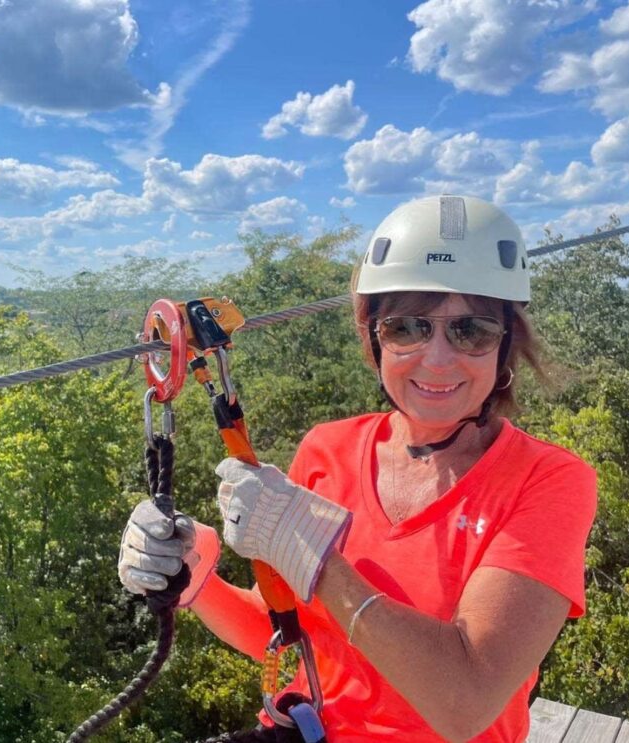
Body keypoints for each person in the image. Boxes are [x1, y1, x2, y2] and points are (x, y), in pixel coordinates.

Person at [118, 195, 598, 742]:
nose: (438, 358)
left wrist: (312, 556)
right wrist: (196, 579)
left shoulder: (547, 480)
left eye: (471, 331)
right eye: (408, 327)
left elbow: (465, 702)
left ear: (505, 343)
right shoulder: (328, 449)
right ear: (375, 336)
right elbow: (293, 636)